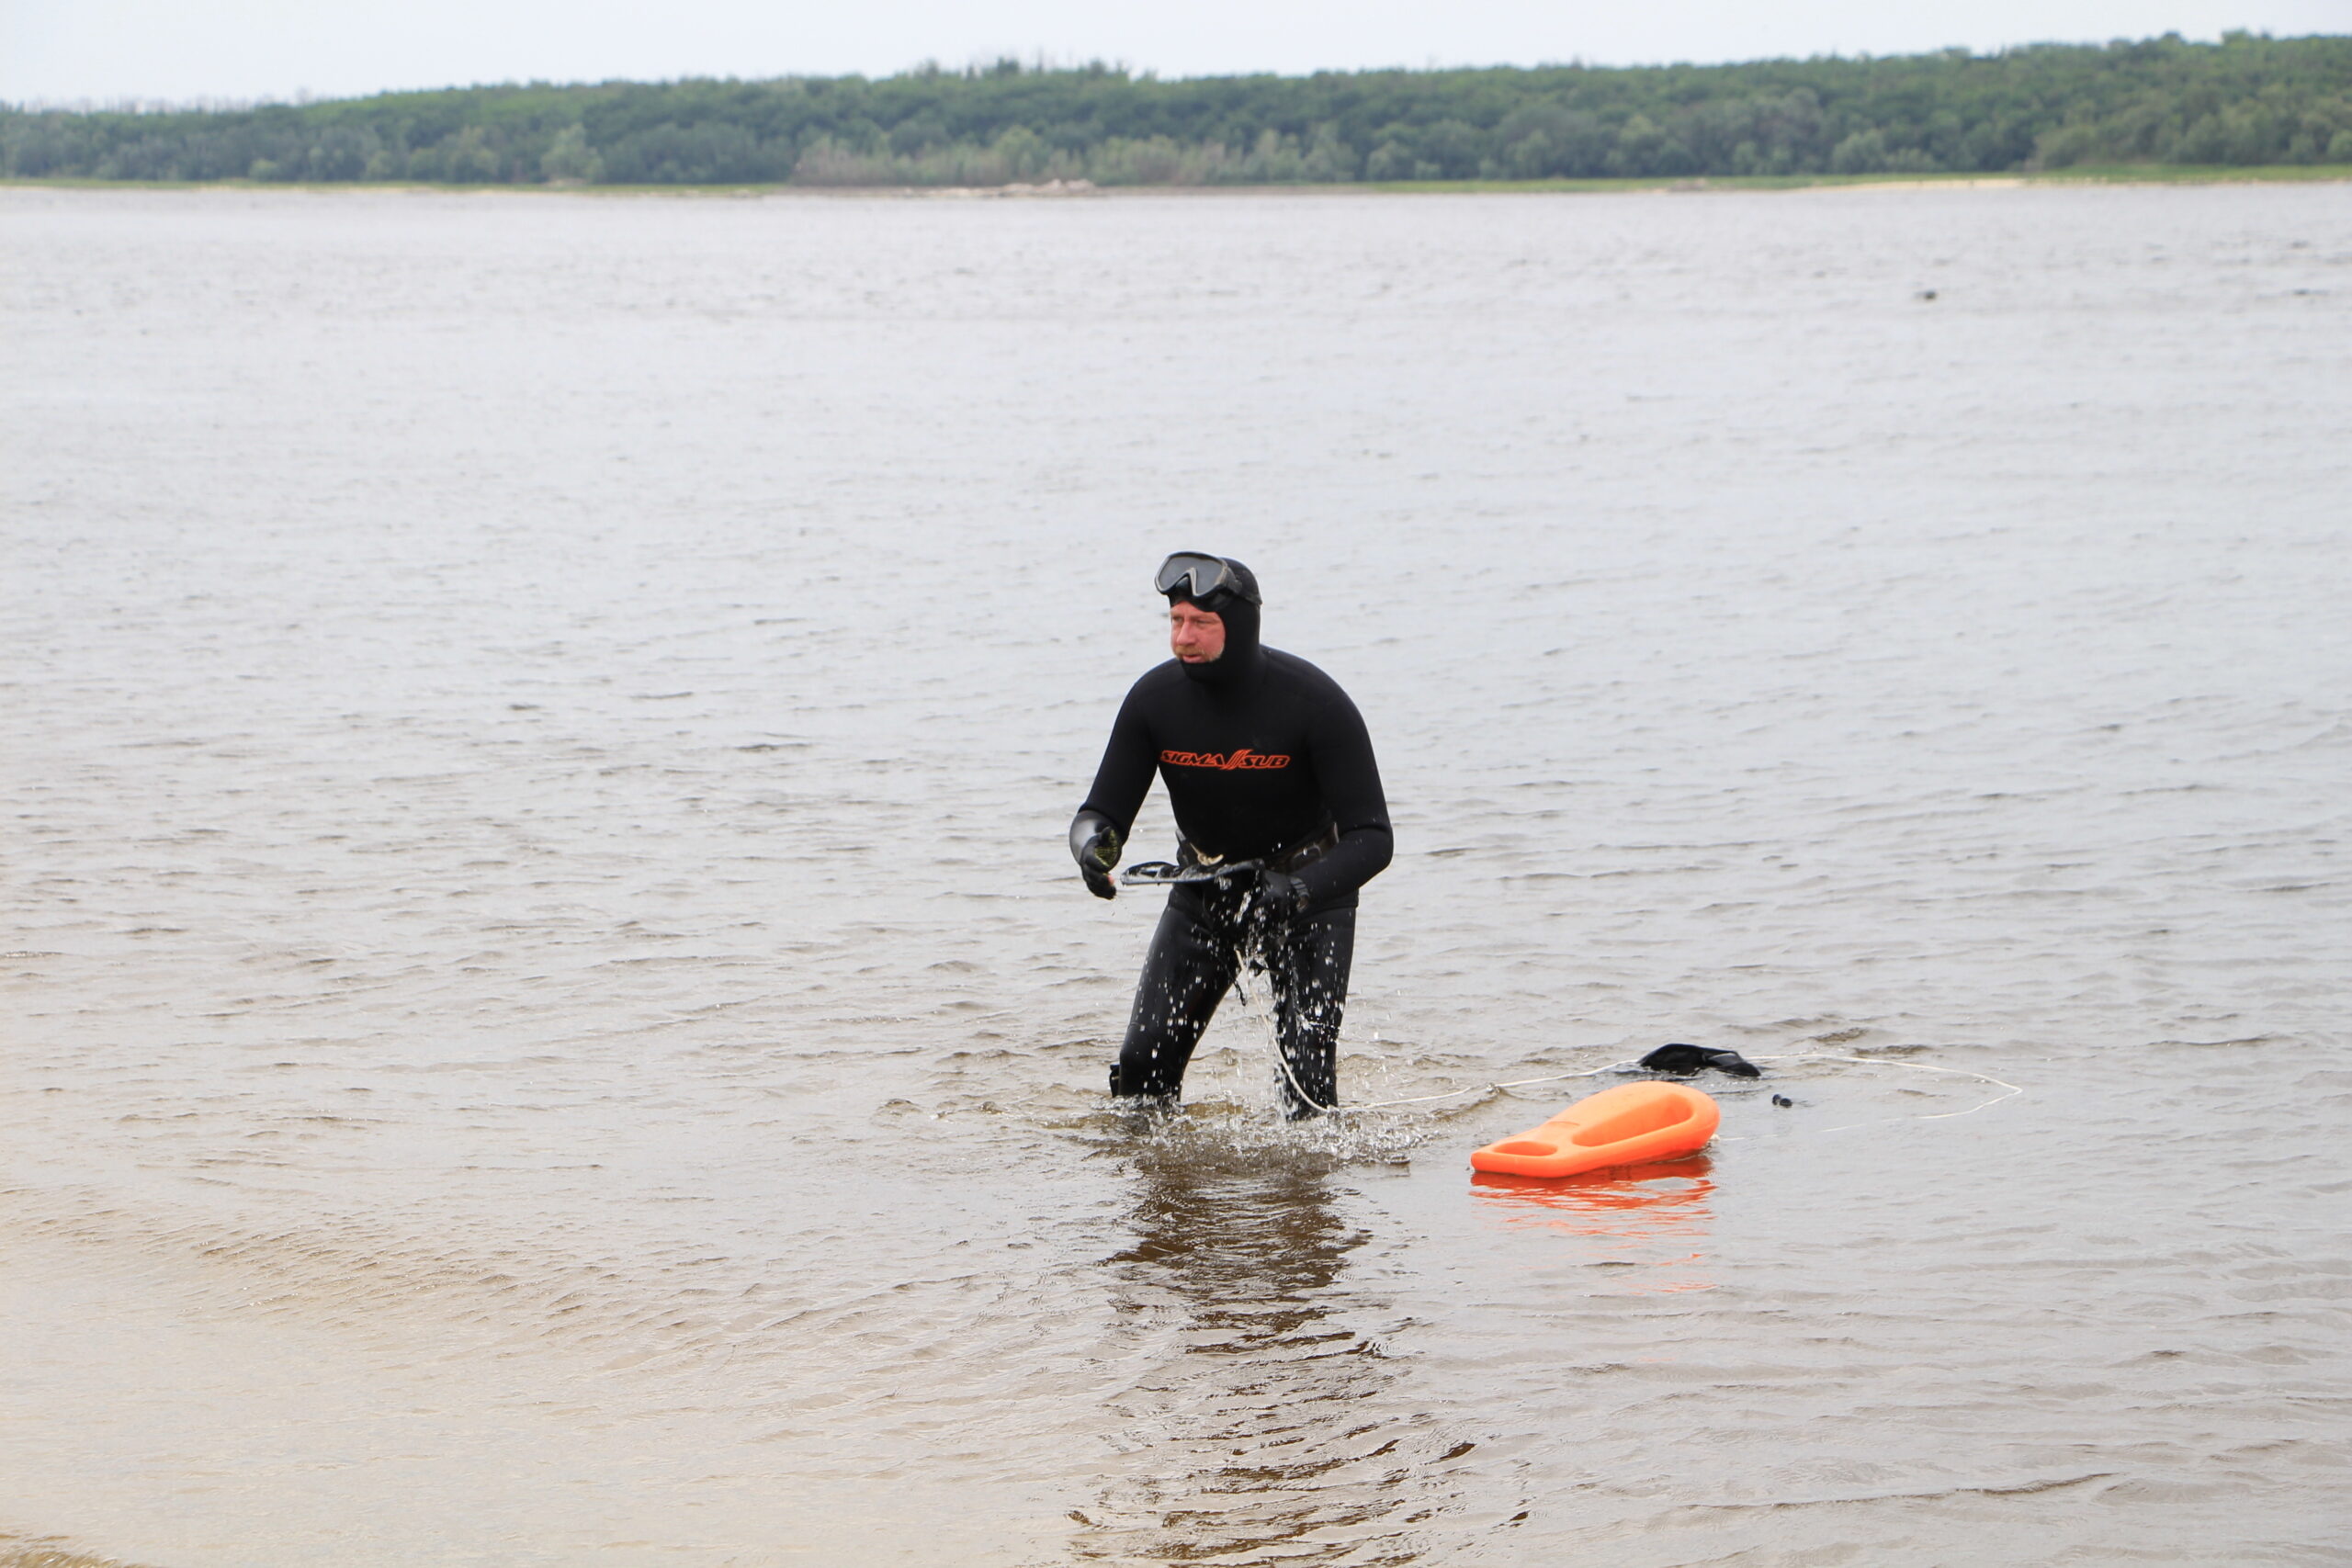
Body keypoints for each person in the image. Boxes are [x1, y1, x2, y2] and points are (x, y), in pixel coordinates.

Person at [1069, 552, 1392, 1117]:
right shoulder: (1153, 702)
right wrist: (1094, 847)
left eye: (1201, 624)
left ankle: (1308, 1196)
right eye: (1175, 622)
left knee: (1308, 1087)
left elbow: (1372, 837)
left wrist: (1298, 891)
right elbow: (1100, 812)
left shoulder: (1315, 703)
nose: (1182, 638)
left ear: (1239, 627)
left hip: (1308, 897)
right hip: (1205, 891)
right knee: (1142, 1073)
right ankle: (1153, 1189)